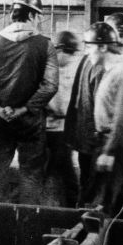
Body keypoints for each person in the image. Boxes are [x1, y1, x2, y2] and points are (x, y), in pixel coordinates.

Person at [0, 0, 58, 204]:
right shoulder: (45, 45)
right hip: (30, 123)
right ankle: (27, 228)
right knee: (30, 175)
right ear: (33, 16)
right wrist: (24, 109)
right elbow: (50, 85)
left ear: (12, 15)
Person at [65, 12, 123, 210]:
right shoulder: (101, 66)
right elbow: (85, 104)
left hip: (107, 142)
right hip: (96, 141)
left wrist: (107, 150)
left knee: (112, 200)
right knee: (109, 199)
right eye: (120, 34)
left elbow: (122, 116)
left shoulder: (118, 70)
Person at [86, 21, 123, 220]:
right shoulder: (111, 72)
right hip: (109, 140)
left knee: (105, 203)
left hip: (116, 143)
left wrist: (109, 151)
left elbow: (122, 116)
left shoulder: (121, 73)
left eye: (90, 46)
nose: (88, 52)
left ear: (102, 47)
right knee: (122, 201)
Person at [44, 30, 81, 207]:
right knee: (56, 174)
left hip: (63, 130)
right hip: (48, 130)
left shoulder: (73, 70)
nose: (70, 57)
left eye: (72, 53)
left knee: (65, 174)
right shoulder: (46, 70)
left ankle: (70, 209)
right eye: (68, 53)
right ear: (57, 50)